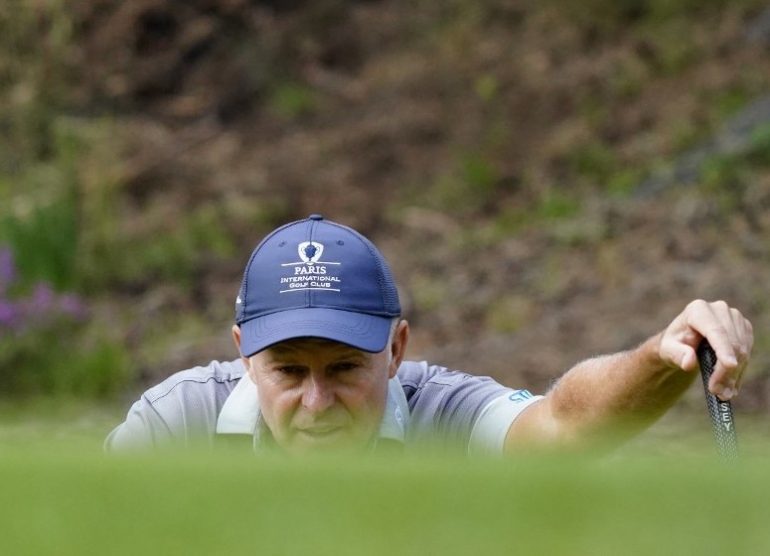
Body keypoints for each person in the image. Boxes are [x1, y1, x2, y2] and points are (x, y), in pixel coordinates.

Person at [106, 214, 754, 455]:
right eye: (289, 372)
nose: (316, 405)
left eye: (344, 370)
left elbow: (565, 424)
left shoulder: (445, 413)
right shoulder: (175, 423)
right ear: (243, 354)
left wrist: (661, 359)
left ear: (396, 350)